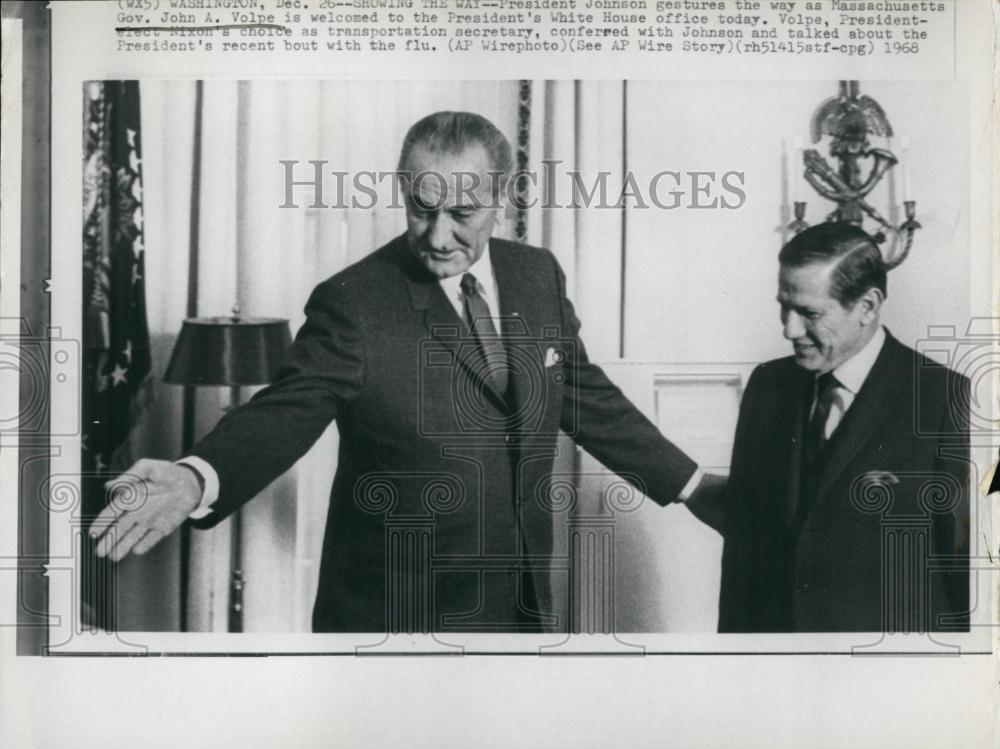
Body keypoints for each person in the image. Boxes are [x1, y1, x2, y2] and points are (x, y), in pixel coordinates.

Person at [91, 111, 708, 633]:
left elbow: (579, 391)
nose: (438, 237)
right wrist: (198, 477)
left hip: (517, 606)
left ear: (505, 195)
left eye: (463, 213)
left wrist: (692, 485)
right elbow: (288, 408)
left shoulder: (536, 274)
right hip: (392, 621)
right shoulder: (354, 302)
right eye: (421, 209)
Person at [706, 222, 970, 633]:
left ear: (867, 306)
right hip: (778, 671)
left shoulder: (947, 400)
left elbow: (967, 570)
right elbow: (743, 552)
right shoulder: (766, 386)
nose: (789, 330)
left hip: (890, 677)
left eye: (810, 313)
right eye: (784, 306)